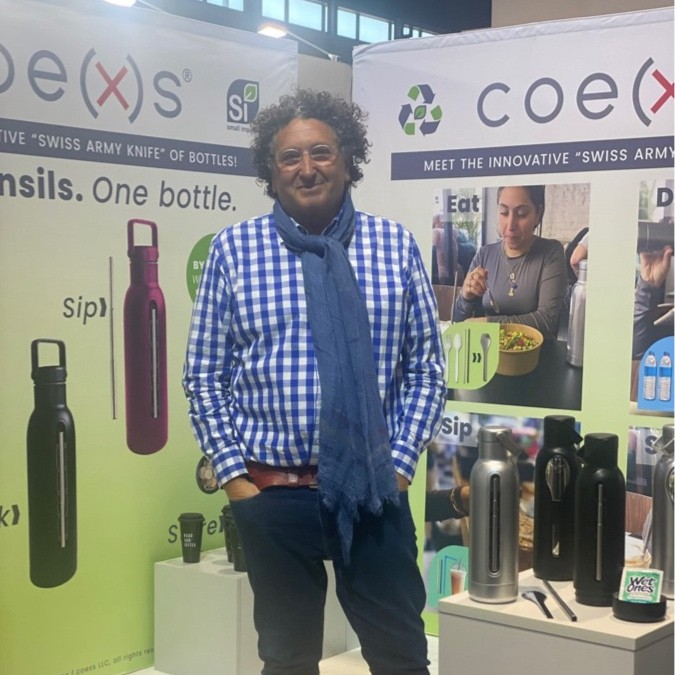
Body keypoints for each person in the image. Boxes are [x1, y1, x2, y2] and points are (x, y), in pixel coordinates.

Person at [183, 89, 446, 675]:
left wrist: (399, 467)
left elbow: (426, 370)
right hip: (271, 496)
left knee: (402, 655)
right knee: (286, 659)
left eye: (321, 152)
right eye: (290, 157)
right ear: (270, 171)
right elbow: (204, 376)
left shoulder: (394, 246)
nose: (307, 168)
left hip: (374, 491)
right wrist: (235, 480)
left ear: (348, 159)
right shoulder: (234, 250)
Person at [452, 185, 567, 341]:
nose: (511, 225)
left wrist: (490, 324)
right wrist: (466, 297)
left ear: (538, 214)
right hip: (486, 351)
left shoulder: (551, 253)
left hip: (536, 354)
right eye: (504, 213)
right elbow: (458, 323)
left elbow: (547, 321)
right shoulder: (485, 254)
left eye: (521, 214)